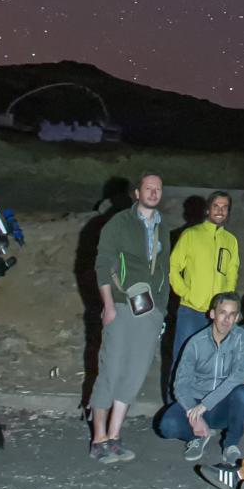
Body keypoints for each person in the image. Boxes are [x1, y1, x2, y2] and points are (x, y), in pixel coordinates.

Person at [89, 171, 170, 463]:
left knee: (135, 373)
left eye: (157, 189)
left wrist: (162, 310)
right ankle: (98, 437)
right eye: (148, 188)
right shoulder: (119, 223)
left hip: (150, 311)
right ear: (137, 193)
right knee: (110, 369)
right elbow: (102, 264)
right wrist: (108, 304)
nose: (153, 192)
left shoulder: (163, 226)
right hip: (123, 305)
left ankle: (114, 436)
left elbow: (164, 270)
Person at [159, 292, 244, 464]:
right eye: (223, 312)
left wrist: (206, 404)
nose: (226, 319)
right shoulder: (196, 342)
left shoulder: (241, 337)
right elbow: (180, 385)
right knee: (167, 425)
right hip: (196, 403)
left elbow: (238, 375)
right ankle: (198, 435)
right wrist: (194, 414)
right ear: (212, 314)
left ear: (237, 317)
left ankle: (231, 444)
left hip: (222, 405)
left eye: (232, 315)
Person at [169, 191, 240, 369]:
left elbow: (232, 272)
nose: (220, 211)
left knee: (209, 361)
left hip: (218, 314)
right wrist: (186, 292)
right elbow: (173, 267)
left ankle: (201, 397)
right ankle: (176, 398)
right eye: (216, 206)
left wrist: (227, 302)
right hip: (191, 310)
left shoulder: (231, 241)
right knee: (183, 358)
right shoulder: (191, 234)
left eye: (225, 207)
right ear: (208, 210)